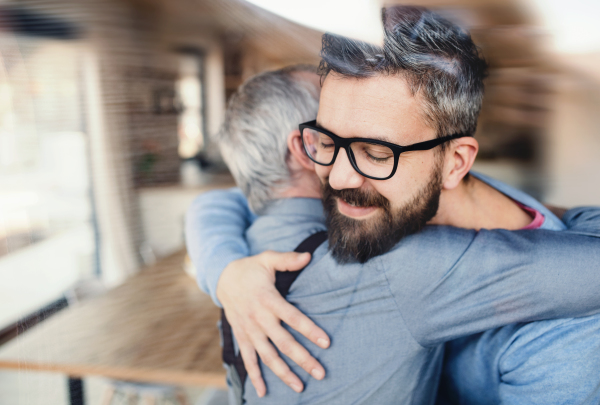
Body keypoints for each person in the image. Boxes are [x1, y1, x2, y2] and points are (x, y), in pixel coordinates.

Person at [186, 7, 600, 405]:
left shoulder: (565, 341)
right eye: (326, 143)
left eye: (377, 153)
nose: (339, 177)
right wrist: (224, 270)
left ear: (455, 164)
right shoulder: (377, 217)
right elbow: (226, 199)